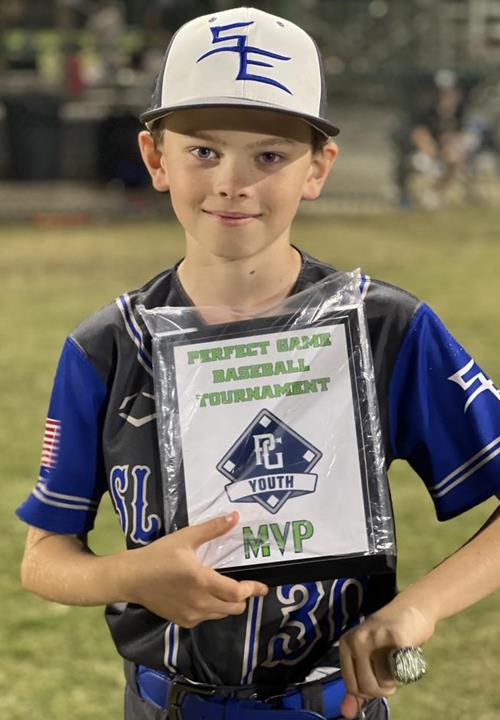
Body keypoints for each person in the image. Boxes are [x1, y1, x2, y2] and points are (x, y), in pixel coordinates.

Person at [17, 7, 500, 720]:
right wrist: (132, 574)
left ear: (317, 168)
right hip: (162, 706)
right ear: (156, 158)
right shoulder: (107, 346)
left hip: (330, 706)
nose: (233, 182)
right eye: (203, 151)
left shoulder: (383, 329)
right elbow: (43, 557)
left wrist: (419, 608)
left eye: (270, 157)